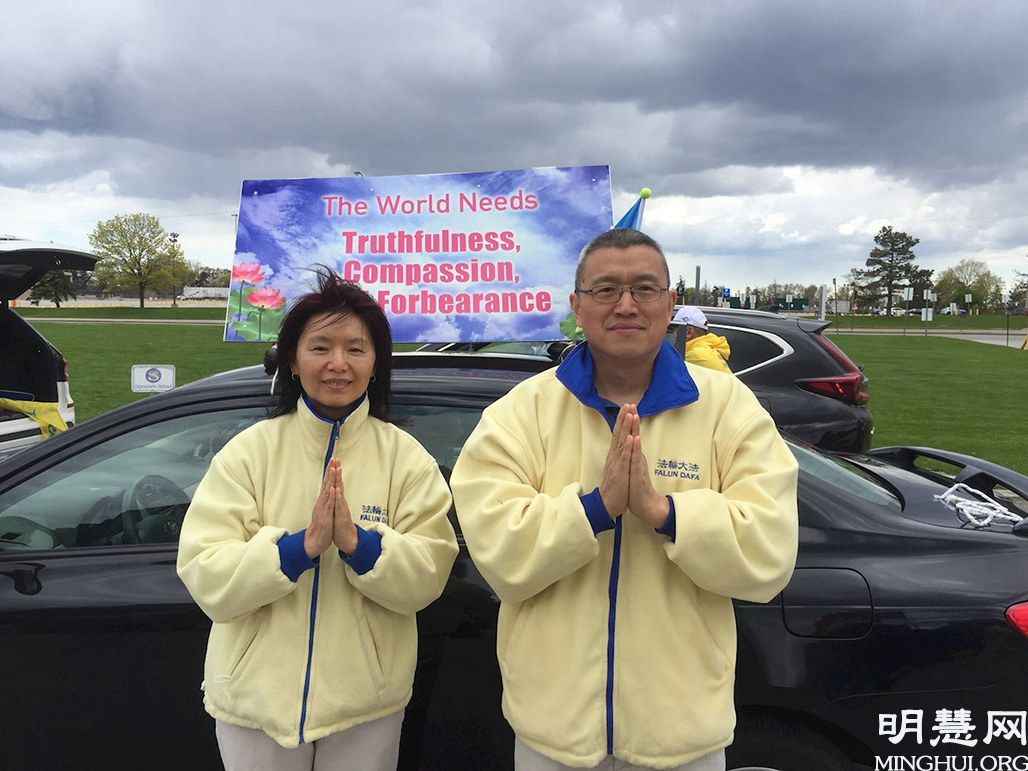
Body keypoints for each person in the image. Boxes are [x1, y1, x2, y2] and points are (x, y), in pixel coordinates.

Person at [450, 229, 798, 771]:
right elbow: (497, 551)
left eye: (645, 288)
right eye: (606, 289)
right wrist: (594, 510)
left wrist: (666, 513)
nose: (627, 305)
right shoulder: (522, 412)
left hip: (682, 732)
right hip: (553, 730)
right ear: (577, 306)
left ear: (671, 303)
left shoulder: (729, 408)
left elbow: (769, 551)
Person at [177, 269, 458, 771]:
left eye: (356, 349)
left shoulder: (406, 460)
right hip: (254, 704)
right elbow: (205, 573)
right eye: (320, 347)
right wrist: (297, 550)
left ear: (376, 362)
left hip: (366, 705)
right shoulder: (248, 453)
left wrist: (358, 545)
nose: (338, 364)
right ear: (292, 359)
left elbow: (428, 576)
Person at [672, 306, 732, 374]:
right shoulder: (707, 350)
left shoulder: (693, 356)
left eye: (675, 331)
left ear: (688, 332)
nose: (673, 335)